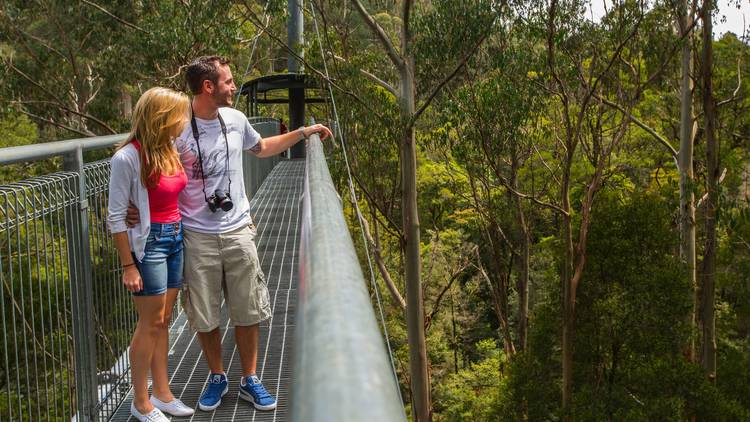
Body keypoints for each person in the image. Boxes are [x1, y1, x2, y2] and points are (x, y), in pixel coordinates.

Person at [128, 56, 331, 412]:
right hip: (194, 233)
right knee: (205, 314)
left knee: (247, 307)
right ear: (209, 87)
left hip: (238, 227)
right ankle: (217, 375)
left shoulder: (236, 120)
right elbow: (151, 167)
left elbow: (262, 148)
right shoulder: (176, 126)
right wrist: (136, 207)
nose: (234, 87)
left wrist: (303, 132)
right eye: (229, 81)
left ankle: (249, 378)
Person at [108, 87, 195, 422]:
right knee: (149, 323)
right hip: (150, 244)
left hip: (175, 238)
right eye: (179, 116)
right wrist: (128, 265)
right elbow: (116, 216)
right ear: (162, 118)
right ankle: (141, 401)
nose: (183, 122)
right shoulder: (127, 158)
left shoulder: (171, 149)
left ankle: (163, 393)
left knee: (163, 321)